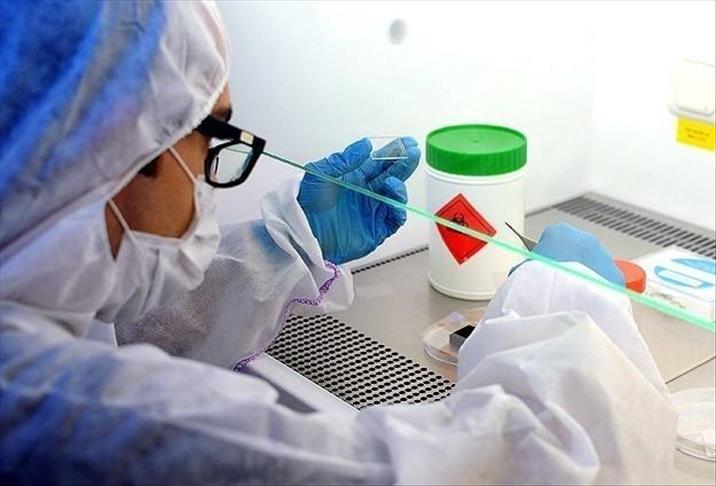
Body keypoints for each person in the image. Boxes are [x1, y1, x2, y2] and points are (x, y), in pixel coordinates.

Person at [0, 2, 675, 484]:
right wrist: (571, 310)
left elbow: (130, 334)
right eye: (212, 139)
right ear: (116, 147)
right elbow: (517, 465)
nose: (209, 175)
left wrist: (290, 244)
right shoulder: (61, 417)